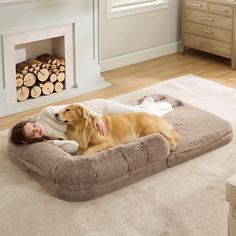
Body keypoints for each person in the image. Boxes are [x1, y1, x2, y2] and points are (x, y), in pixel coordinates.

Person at [10, 97, 174, 153]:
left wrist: (95, 117)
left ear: (32, 122)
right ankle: (145, 106)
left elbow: (75, 105)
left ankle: (151, 104)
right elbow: (73, 145)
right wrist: (48, 141)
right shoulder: (51, 139)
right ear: (31, 140)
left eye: (33, 126)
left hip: (97, 110)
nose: (37, 130)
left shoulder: (47, 113)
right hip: (86, 121)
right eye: (33, 134)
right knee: (137, 114)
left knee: (142, 114)